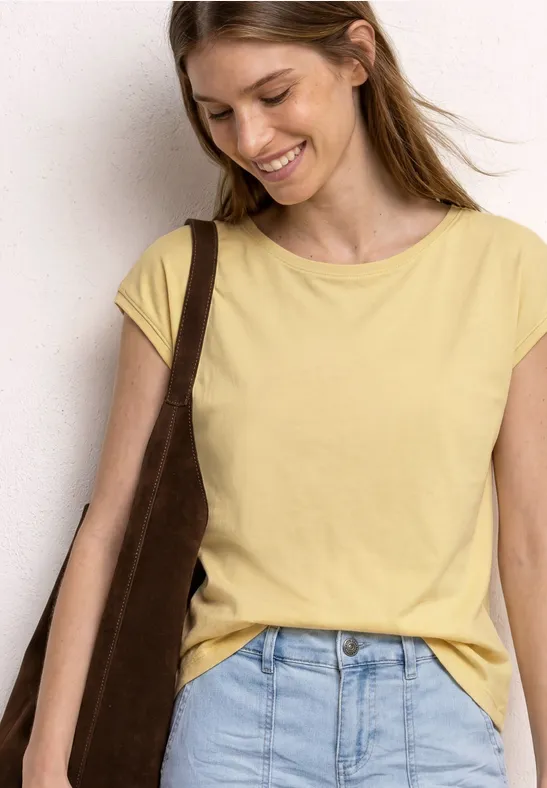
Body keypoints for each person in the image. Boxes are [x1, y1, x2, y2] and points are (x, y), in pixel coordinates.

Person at [22, 3, 547, 787]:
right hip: (236, 714)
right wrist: (44, 763)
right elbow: (109, 530)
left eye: (274, 95)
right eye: (218, 114)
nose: (251, 140)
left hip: (435, 724)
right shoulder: (182, 274)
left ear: (356, 57)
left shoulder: (501, 267)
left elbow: (530, 543)